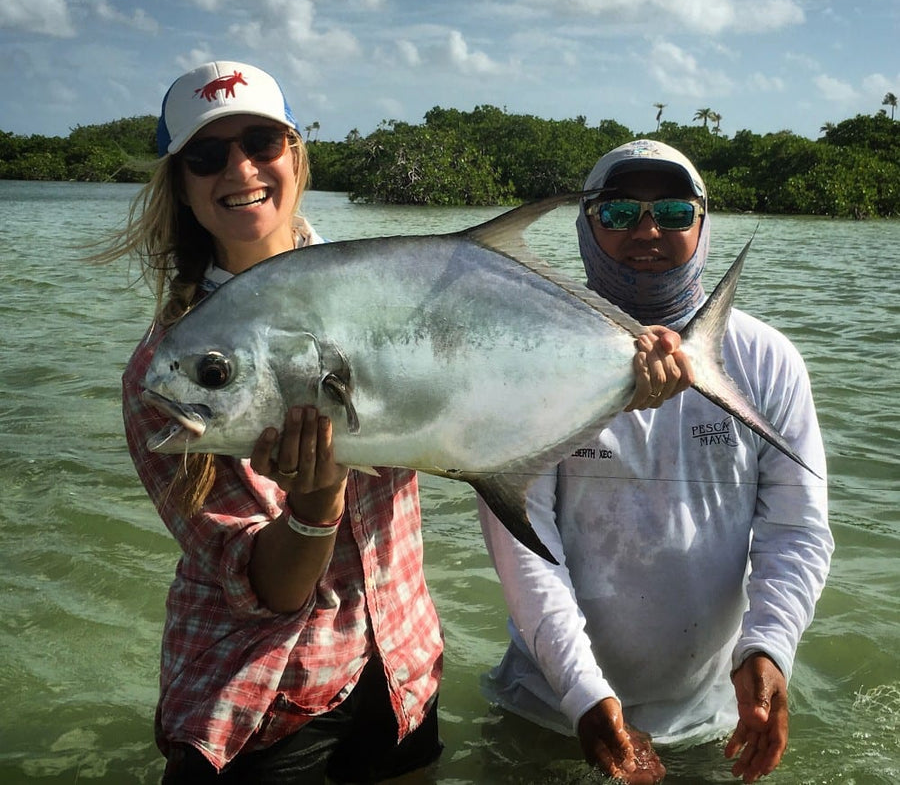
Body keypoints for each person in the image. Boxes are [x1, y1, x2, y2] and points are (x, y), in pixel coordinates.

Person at [105, 64, 691, 783]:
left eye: (261, 141)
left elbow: (473, 399)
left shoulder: (388, 280)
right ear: (179, 180)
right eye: (207, 154)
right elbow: (271, 590)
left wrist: (614, 383)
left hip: (403, 675)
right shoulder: (160, 377)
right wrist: (316, 508)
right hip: (257, 709)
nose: (240, 168)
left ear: (295, 153)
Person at [478, 139, 834, 784]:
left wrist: (771, 648)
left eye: (673, 211)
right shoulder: (523, 360)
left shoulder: (766, 359)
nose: (647, 231)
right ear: (585, 226)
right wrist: (586, 697)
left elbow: (796, 528)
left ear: (702, 222)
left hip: (713, 721)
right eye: (617, 214)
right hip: (546, 713)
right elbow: (525, 545)